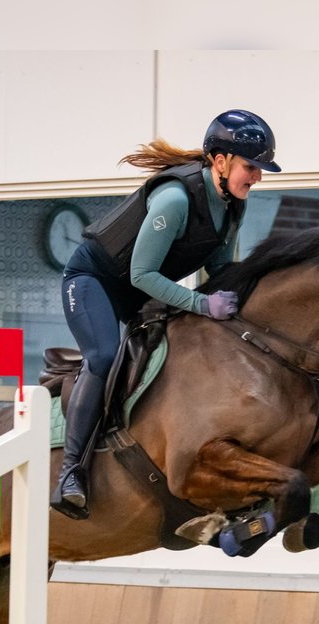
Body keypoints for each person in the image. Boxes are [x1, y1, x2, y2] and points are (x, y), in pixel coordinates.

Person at [52, 109, 281, 518]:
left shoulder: (232, 204)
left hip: (141, 289)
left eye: (261, 169)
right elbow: (142, 274)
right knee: (104, 357)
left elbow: (220, 271)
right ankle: (72, 474)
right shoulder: (175, 199)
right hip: (94, 281)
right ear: (220, 161)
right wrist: (200, 304)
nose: (258, 177)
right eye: (251, 167)